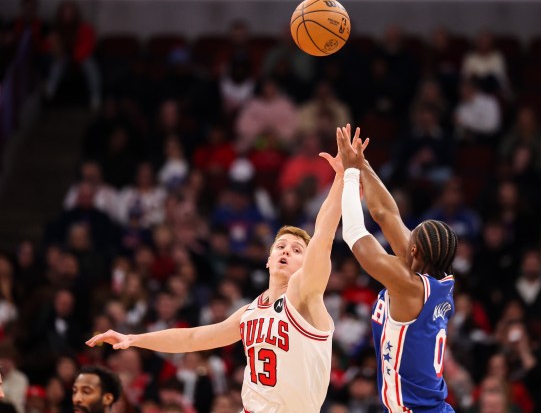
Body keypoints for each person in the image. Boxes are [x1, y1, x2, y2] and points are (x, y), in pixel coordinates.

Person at [86, 128, 369, 412]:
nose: (286, 251)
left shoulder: (305, 294)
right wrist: (134, 339)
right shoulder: (250, 313)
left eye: (297, 250)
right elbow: (194, 338)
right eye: (281, 246)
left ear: (306, 264)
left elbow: (322, 236)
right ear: (268, 260)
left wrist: (341, 179)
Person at [337, 127, 457, 412]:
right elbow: (386, 215)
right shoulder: (435, 275)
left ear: (413, 250)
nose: (406, 234)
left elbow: (354, 233)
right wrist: (362, 163)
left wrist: (350, 176)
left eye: (411, 234)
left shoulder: (408, 285)